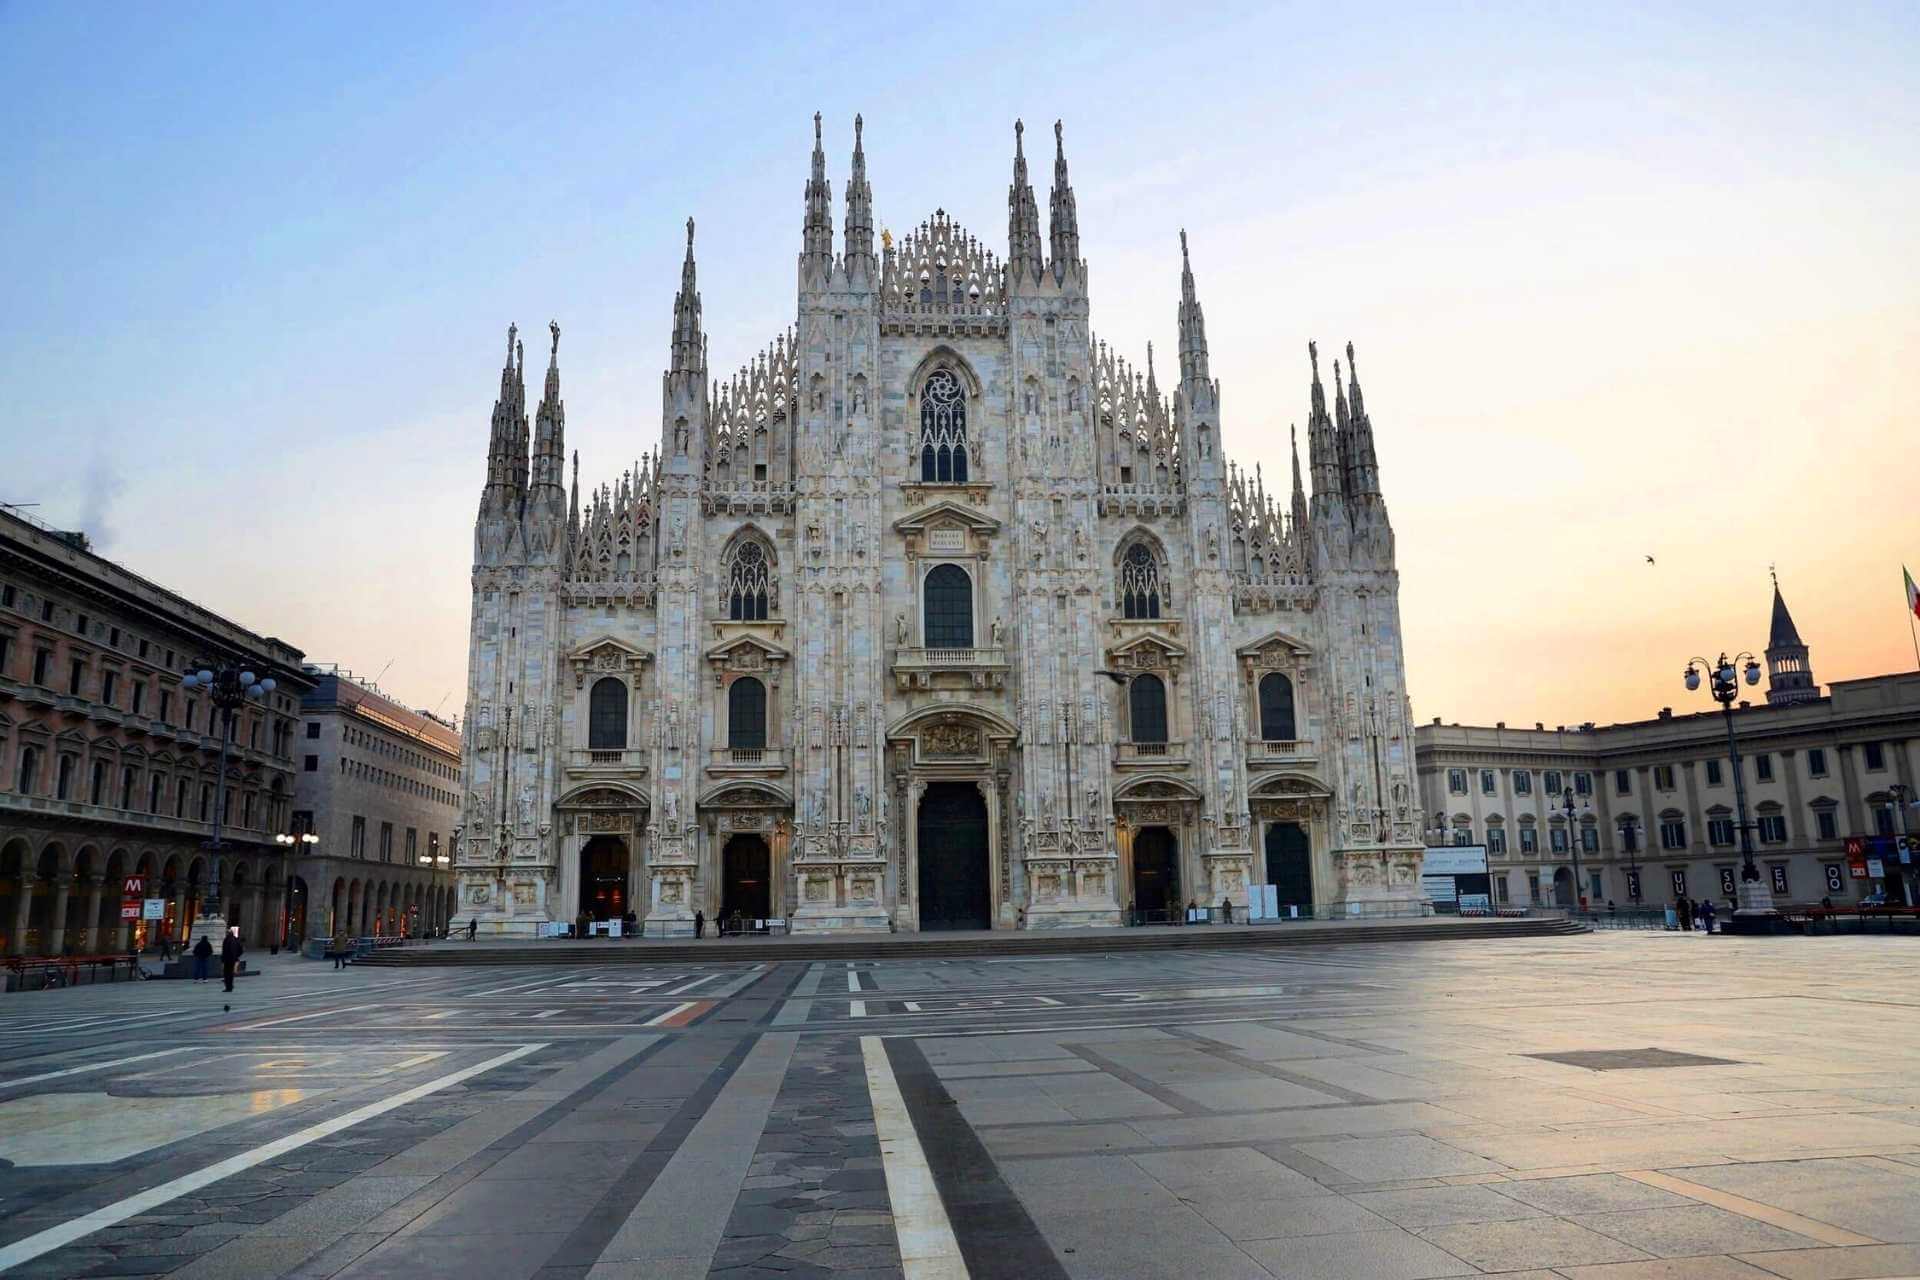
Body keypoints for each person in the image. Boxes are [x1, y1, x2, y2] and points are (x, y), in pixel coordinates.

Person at [220, 925, 243, 992]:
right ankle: (230, 986)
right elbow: (241, 950)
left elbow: (225, 951)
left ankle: (228, 987)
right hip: (233, 959)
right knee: (230, 974)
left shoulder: (226, 940)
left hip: (227, 960)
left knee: (227, 974)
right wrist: (236, 956)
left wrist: (223, 959)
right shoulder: (236, 940)